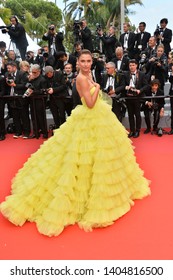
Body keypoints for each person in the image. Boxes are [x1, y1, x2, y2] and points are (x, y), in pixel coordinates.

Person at [0, 49, 150, 237]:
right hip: (89, 115)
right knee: (81, 155)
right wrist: (98, 89)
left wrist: (94, 85)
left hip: (97, 117)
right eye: (83, 61)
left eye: (89, 61)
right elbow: (88, 103)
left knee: (100, 154)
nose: (86, 64)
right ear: (77, 62)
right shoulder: (80, 78)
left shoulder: (88, 75)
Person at [123, 59, 149, 138]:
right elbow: (123, 84)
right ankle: (132, 130)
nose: (131, 67)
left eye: (133, 65)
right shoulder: (126, 74)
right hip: (129, 97)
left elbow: (146, 85)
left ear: (136, 65)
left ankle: (137, 130)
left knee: (137, 115)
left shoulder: (141, 74)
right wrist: (125, 87)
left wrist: (140, 90)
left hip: (137, 97)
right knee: (130, 115)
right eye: (130, 65)